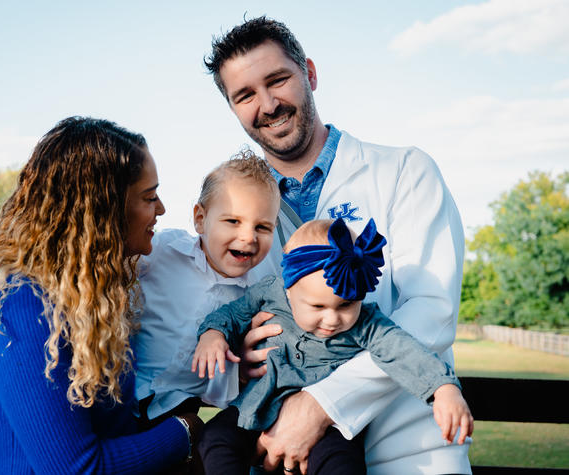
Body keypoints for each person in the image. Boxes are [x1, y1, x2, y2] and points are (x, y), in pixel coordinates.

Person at [204, 16, 469, 474]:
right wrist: (241, 357)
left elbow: (431, 311)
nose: (267, 104)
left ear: (309, 72)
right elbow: (229, 310)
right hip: (281, 457)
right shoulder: (237, 214)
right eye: (245, 95)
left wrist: (320, 404)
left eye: (277, 80)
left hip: (410, 453)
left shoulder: (405, 171)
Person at [0, 116, 203, 475]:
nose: (162, 209)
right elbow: (75, 468)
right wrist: (187, 431)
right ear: (102, 209)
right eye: (149, 197)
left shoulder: (88, 296)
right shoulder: (16, 303)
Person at [192, 219, 473, 474]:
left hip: (327, 429)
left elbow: (402, 349)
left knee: (340, 464)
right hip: (257, 404)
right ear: (289, 289)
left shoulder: (365, 323)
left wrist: (442, 387)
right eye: (317, 306)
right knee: (215, 438)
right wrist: (213, 334)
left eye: (346, 304)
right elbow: (232, 313)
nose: (332, 318)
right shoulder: (270, 292)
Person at [134, 150, 280, 426]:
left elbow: (228, 384)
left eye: (263, 227)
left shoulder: (258, 295)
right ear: (200, 219)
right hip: (120, 391)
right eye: (233, 221)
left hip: (175, 411)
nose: (248, 237)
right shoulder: (162, 251)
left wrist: (240, 369)